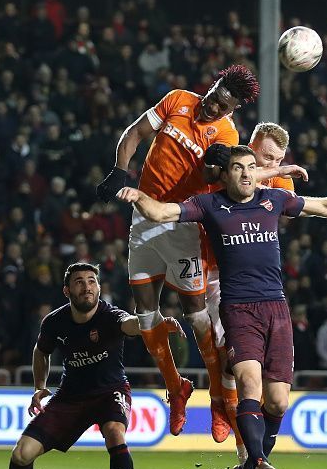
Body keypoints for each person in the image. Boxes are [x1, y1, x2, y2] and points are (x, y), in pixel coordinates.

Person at [116, 145, 327, 469]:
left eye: (252, 167)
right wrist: (139, 195)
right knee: (249, 383)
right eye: (239, 168)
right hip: (239, 310)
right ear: (226, 174)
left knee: (279, 402)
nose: (247, 174)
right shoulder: (211, 206)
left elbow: (323, 207)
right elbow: (163, 211)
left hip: (277, 309)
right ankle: (259, 462)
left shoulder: (274, 200)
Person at [96, 65, 261, 439]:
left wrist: (211, 166)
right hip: (144, 218)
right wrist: (120, 172)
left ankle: (218, 397)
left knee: (196, 313)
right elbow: (135, 132)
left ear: (231, 111)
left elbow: (213, 183)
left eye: (224, 108)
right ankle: (177, 388)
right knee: (145, 311)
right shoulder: (178, 99)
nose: (215, 109)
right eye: (216, 97)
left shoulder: (227, 133)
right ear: (213, 85)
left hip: (183, 225)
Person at [0, 262, 184, 469]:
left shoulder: (111, 316)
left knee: (115, 433)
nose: (86, 286)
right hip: (70, 397)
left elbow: (131, 325)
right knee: (21, 454)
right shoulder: (54, 321)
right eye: (79, 281)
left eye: (91, 281)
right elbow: (41, 352)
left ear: (99, 288)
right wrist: (39, 386)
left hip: (110, 391)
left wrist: (155, 323)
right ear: (67, 290)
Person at [204, 122, 307, 462]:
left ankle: (246, 449)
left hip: (256, 275)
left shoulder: (279, 178)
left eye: (276, 159)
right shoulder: (229, 157)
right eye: (264, 157)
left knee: (250, 372)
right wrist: (260, 171)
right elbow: (222, 183)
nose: (271, 164)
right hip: (213, 263)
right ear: (249, 148)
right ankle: (219, 402)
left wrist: (270, 173)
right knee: (223, 345)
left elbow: (290, 210)